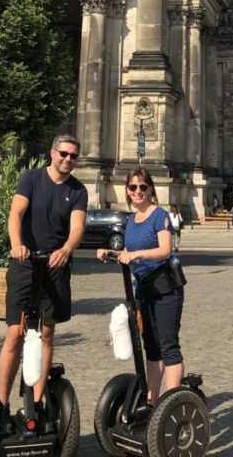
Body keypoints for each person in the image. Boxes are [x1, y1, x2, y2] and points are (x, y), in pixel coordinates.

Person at [0, 134, 87, 436]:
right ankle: (1, 406)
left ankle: (36, 404)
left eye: (73, 156)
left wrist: (66, 249)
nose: (68, 160)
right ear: (52, 153)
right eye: (63, 154)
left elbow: (76, 228)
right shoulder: (31, 178)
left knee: (47, 335)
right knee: (14, 335)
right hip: (25, 264)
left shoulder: (78, 190)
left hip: (55, 267)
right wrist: (16, 244)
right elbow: (15, 213)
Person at [98, 167, 185, 406]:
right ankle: (151, 401)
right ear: (127, 190)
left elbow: (165, 250)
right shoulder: (131, 220)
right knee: (151, 346)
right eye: (133, 187)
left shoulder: (160, 215)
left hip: (166, 287)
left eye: (143, 187)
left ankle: (171, 404)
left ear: (150, 190)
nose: (138, 191)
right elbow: (128, 252)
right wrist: (110, 253)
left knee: (168, 345)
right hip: (144, 289)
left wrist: (136, 254)